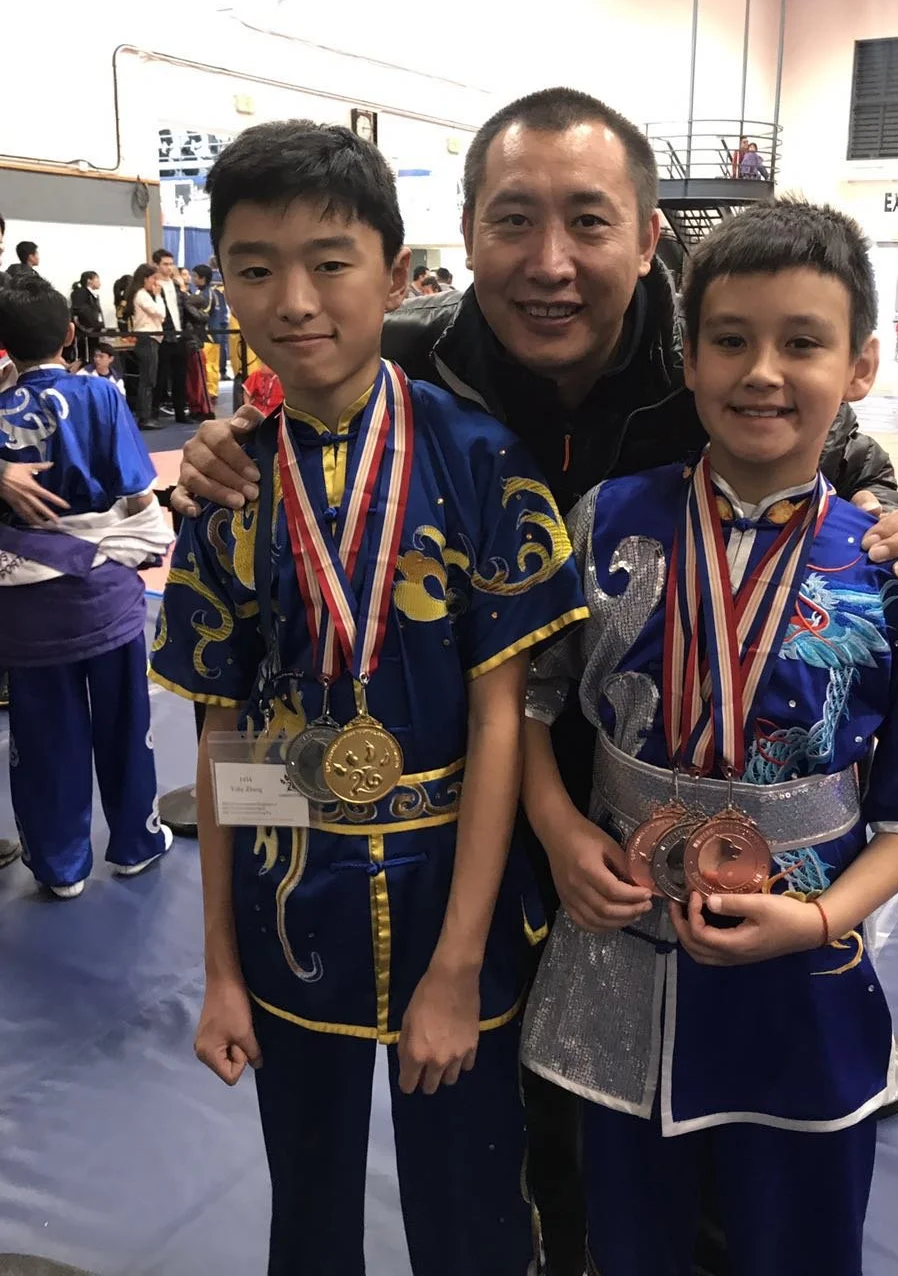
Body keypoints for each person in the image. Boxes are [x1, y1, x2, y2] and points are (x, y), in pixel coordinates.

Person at [169, 86, 898, 1276]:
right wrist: (231, 445)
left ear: (649, 241)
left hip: (629, 807)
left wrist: (891, 522)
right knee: (504, 1142)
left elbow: (825, 442)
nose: (550, 262)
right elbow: (247, 707)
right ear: (459, 238)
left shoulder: (694, 354)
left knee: (676, 1159)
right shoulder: (397, 353)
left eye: (589, 224)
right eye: (512, 223)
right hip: (417, 828)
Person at [519, 201, 898, 1276]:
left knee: (803, 1241)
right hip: (621, 953)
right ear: (687, 361)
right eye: (730, 340)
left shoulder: (888, 567)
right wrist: (556, 830)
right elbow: (532, 697)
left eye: (802, 342)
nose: (762, 372)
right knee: (628, 1237)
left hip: (803, 979)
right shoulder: (606, 518)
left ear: (863, 364)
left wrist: (825, 915)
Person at [148, 119, 587, 1276]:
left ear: (395, 274)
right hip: (293, 905)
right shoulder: (230, 486)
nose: (295, 299)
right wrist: (223, 972)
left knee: (475, 1217)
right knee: (309, 1220)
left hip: (465, 908)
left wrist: (454, 969)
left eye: (330, 262)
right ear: (221, 281)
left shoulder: (479, 461)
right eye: (254, 268)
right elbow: (226, 741)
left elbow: (502, 716)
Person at [0, 275, 174, 897]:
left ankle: (59, 865)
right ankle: (134, 842)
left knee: (45, 733)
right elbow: (135, 488)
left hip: (24, 605)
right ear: (72, 333)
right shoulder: (100, 397)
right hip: (103, 594)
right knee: (127, 719)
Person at [152, 247, 190, 424]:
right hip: (162, 336)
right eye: (165, 264)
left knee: (180, 377)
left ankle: (181, 414)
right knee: (160, 377)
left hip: (180, 334)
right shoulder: (153, 285)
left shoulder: (176, 285)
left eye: (170, 264)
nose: (169, 267)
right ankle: (153, 414)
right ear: (156, 265)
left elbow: (185, 307)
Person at [128, 263, 165, 430]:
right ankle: (144, 417)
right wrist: (158, 296)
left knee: (149, 379)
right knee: (148, 379)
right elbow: (160, 313)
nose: (155, 282)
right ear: (145, 278)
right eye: (153, 278)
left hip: (150, 339)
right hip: (147, 338)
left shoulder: (141, 294)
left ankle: (146, 415)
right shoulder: (142, 295)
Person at [180, 263, 214, 418]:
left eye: (193, 275)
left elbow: (205, 315)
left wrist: (187, 304)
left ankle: (206, 408)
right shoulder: (197, 293)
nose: (191, 278)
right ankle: (197, 406)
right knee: (194, 377)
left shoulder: (207, 294)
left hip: (204, 339)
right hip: (191, 339)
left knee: (204, 375)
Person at [70, 270, 105, 364]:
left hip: (95, 332)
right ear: (89, 281)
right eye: (97, 279)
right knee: (86, 358)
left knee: (93, 355)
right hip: (85, 334)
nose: (99, 282)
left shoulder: (93, 295)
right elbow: (77, 313)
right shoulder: (80, 293)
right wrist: (86, 329)